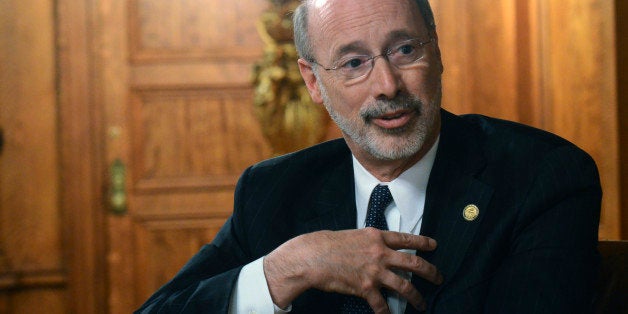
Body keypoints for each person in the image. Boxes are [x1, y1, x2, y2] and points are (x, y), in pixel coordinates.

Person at [135, 0, 602, 313]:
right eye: (354, 62)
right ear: (314, 82)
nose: (388, 85)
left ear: (436, 51)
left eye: (404, 49)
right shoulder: (272, 191)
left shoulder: (543, 177)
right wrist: (287, 267)